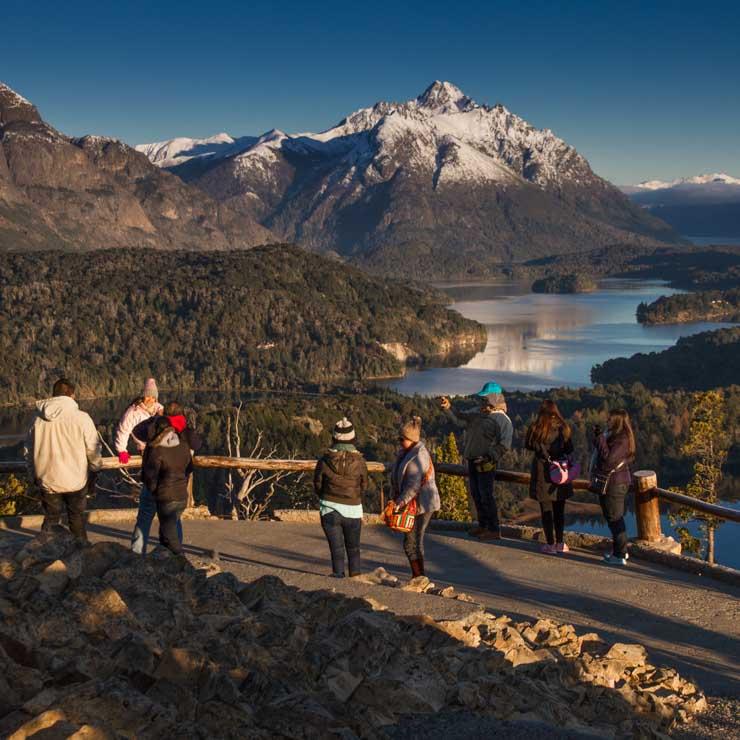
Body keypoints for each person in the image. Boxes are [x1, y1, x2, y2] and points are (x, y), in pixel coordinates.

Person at [25, 378, 102, 541]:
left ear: (53, 395)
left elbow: (28, 452)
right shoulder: (82, 418)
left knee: (51, 520)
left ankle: (43, 554)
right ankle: (82, 553)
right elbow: (93, 448)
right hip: (76, 480)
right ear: (71, 395)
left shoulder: (37, 420)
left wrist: (33, 476)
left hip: (48, 479)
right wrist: (95, 469)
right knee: (76, 519)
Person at [440, 382, 513, 540]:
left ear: (493, 398)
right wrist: (447, 408)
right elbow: (459, 419)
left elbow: (504, 444)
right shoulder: (477, 413)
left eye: (486, 398)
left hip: (487, 463)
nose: (483, 402)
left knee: (486, 495)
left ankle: (493, 529)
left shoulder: (502, 420)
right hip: (472, 460)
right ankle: (482, 526)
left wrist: (488, 457)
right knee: (476, 494)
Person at [134, 402, 201, 554]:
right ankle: (170, 560)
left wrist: (154, 418)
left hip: (160, 490)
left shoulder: (156, 439)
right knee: (172, 525)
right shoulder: (183, 437)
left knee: (145, 520)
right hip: (178, 490)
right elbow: (195, 450)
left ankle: (138, 554)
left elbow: (137, 431)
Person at [313, 417, 368, 578]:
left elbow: (317, 483)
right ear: (353, 438)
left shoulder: (324, 460)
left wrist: (324, 496)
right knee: (353, 548)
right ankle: (356, 578)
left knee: (336, 549)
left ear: (334, 438)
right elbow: (364, 485)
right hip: (353, 509)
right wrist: (356, 498)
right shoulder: (360, 461)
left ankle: (338, 576)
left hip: (329, 508)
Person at [390, 416, 440, 578]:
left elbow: (413, 486)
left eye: (401, 439)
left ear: (411, 439)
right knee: (412, 542)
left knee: (412, 543)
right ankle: (418, 576)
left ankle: (419, 577)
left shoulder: (417, 457)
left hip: (421, 504)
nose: (399, 441)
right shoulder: (408, 452)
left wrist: (399, 502)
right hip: (417, 503)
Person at [525, 400, 574, 554]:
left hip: (542, 472)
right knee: (559, 509)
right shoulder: (563, 427)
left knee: (546, 510)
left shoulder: (536, 428)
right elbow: (569, 448)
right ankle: (560, 543)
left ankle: (550, 544)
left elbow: (528, 445)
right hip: (560, 472)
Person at [593, 409, 635, 566]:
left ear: (617, 421)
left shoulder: (622, 439)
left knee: (615, 518)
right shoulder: (616, 436)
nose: (607, 420)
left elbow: (608, 460)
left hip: (615, 483)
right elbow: (603, 451)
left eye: (610, 418)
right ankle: (620, 551)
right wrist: (599, 437)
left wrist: (601, 439)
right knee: (613, 517)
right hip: (613, 482)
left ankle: (620, 554)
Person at [114, 378, 163, 463]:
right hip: (145, 450)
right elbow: (123, 431)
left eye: (153, 397)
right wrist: (122, 450)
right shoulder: (133, 412)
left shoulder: (159, 409)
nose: (150, 399)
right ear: (143, 396)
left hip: (161, 447)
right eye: (147, 396)